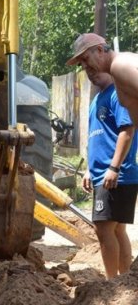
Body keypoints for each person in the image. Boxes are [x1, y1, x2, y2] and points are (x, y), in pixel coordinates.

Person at [80, 71, 138, 279]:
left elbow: (127, 131)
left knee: (104, 231)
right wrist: (89, 168)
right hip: (103, 174)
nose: (90, 72)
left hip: (115, 175)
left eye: (93, 66)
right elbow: (96, 136)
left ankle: (111, 284)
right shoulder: (97, 99)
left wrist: (114, 168)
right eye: (86, 68)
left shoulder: (118, 94)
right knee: (117, 230)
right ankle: (124, 281)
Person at [66, 32, 138, 126]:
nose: (84, 66)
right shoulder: (116, 75)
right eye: (80, 63)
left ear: (100, 50)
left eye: (85, 58)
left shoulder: (119, 65)